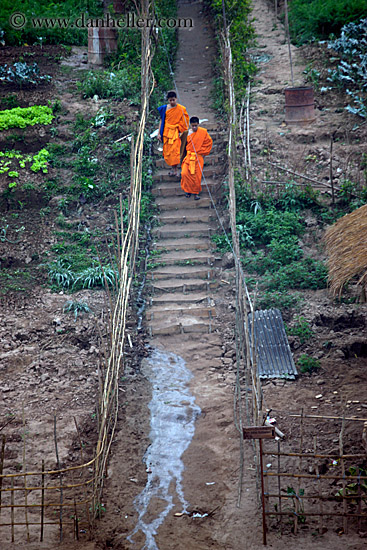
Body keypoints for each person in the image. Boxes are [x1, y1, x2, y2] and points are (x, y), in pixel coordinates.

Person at [157, 91, 189, 177]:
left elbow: (185, 122)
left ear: (176, 99)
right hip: (166, 133)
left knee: (176, 151)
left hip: (175, 133)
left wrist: (180, 130)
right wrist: (159, 133)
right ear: (168, 100)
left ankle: (176, 169)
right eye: (170, 100)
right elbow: (161, 120)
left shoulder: (181, 109)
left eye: (173, 100)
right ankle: (172, 169)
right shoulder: (164, 109)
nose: (172, 102)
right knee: (168, 152)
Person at [180, 117, 213, 200]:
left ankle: (196, 193)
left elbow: (209, 143)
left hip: (198, 157)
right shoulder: (187, 133)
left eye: (196, 126)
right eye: (193, 126)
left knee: (197, 176)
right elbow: (182, 145)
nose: (194, 127)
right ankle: (188, 190)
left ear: (198, 124)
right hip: (188, 157)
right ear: (190, 125)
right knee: (184, 173)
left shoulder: (203, 132)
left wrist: (202, 152)